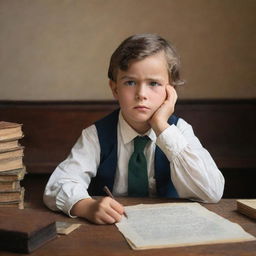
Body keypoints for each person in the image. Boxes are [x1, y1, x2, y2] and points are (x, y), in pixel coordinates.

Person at [43, 34, 225, 224]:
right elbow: (57, 185)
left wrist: (162, 127)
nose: (141, 94)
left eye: (153, 83)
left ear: (170, 92)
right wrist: (87, 206)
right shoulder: (95, 135)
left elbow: (211, 192)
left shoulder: (179, 131)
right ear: (115, 89)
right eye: (130, 82)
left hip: (170, 229)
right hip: (109, 231)